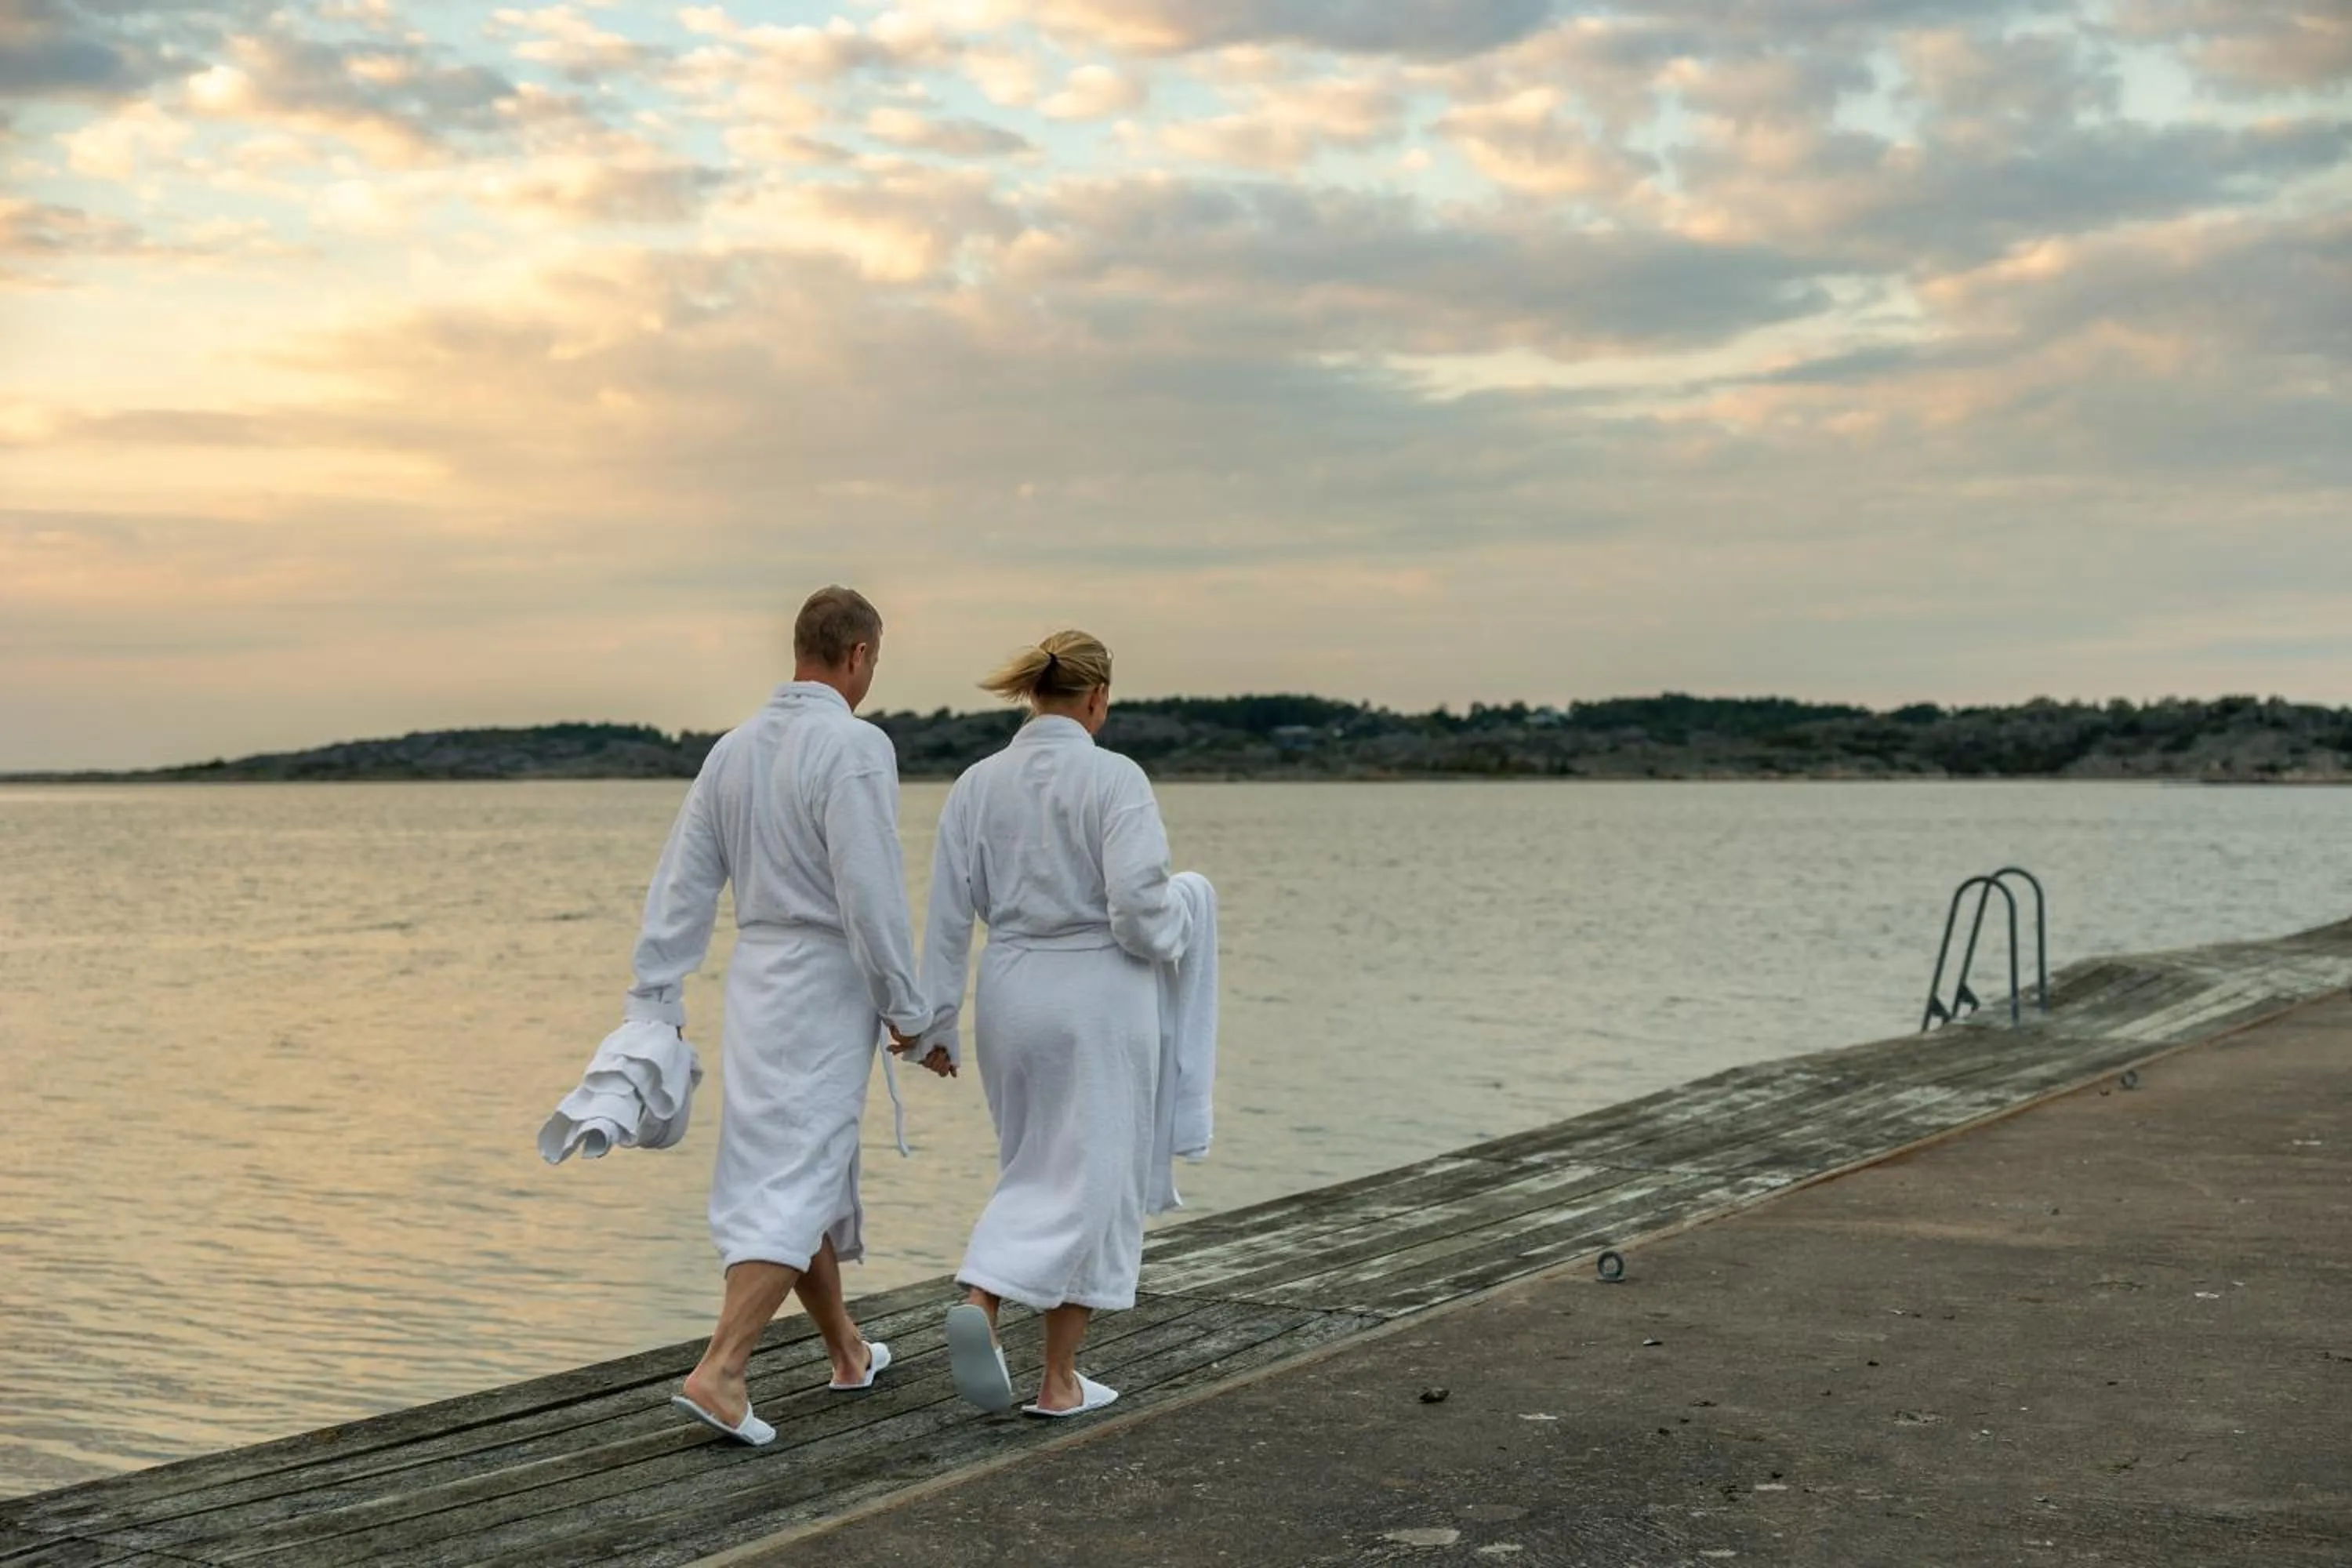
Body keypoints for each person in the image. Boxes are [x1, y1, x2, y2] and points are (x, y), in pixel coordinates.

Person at [624, 585, 943, 1446]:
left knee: (792, 1161)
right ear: (861, 655)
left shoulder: (734, 750)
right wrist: (909, 1010)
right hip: (825, 975)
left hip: (758, 976)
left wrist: (656, 990)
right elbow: (871, 895)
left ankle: (846, 1350)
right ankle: (722, 1368)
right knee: (801, 1167)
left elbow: (683, 879)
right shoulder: (855, 745)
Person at [908, 630, 1210, 1417]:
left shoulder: (977, 782)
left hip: (1008, 991)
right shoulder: (1115, 778)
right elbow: (1141, 914)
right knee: (1093, 1180)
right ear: (1099, 697)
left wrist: (936, 1023)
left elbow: (946, 916)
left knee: (1035, 1165)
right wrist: (1187, 911)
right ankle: (1042, 1360)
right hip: (1096, 994)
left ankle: (1013, 1330)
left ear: (1032, 692)